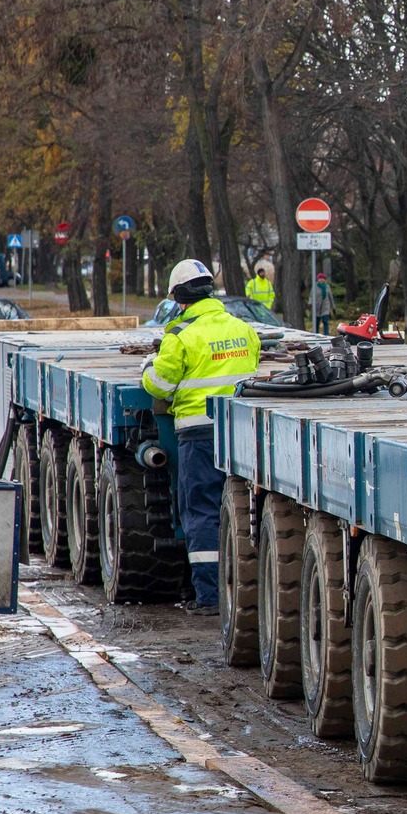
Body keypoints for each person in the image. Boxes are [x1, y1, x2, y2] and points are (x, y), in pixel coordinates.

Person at [141, 259, 263, 612]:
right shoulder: (244, 329)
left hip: (199, 434)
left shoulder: (180, 336)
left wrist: (148, 367)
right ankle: (246, 593)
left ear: (179, 298)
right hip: (242, 430)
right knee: (242, 512)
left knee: (203, 512)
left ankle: (210, 597)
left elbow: (160, 386)